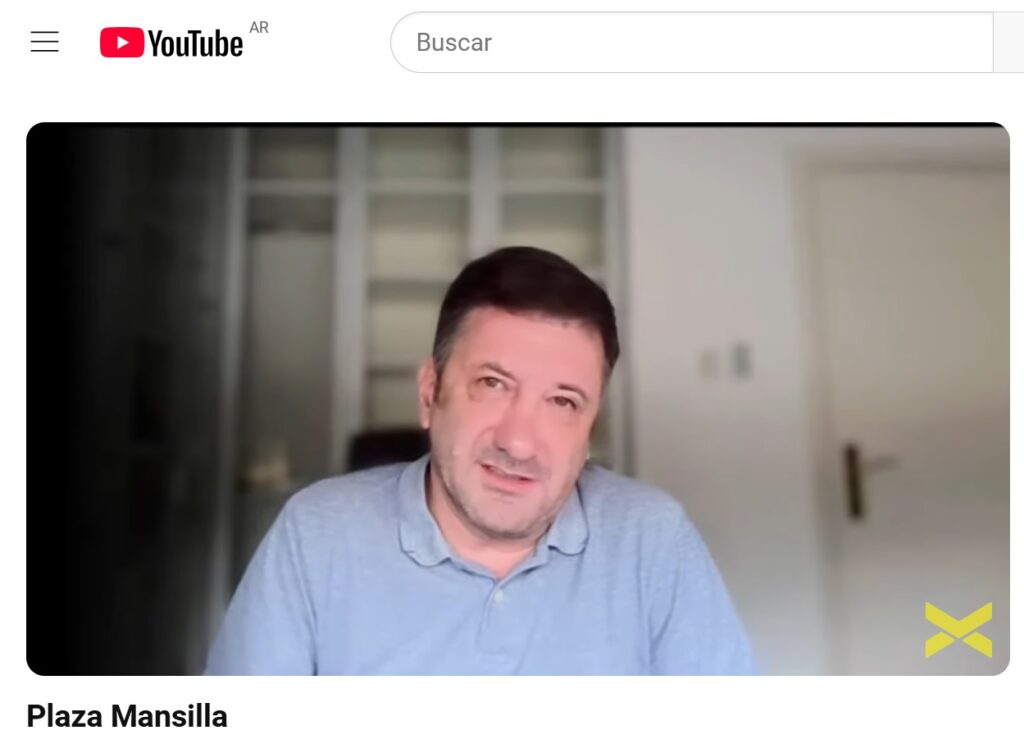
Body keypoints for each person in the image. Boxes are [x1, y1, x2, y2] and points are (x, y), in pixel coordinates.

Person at [206, 246, 755, 674]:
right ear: (430, 393)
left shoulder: (652, 540)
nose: (519, 443)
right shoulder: (318, 534)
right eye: (493, 384)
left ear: (590, 428)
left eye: (563, 402)